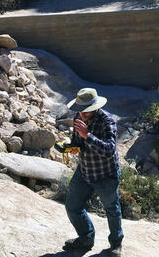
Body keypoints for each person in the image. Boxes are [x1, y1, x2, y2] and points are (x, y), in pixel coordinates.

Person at [63, 88, 123, 256]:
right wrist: (71, 147)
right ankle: (86, 238)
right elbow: (78, 141)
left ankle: (116, 245)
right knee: (72, 207)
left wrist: (87, 135)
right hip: (84, 170)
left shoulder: (107, 121)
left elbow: (109, 149)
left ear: (95, 107)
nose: (82, 115)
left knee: (112, 209)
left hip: (105, 174)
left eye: (86, 112)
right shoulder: (78, 117)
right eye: (80, 111)